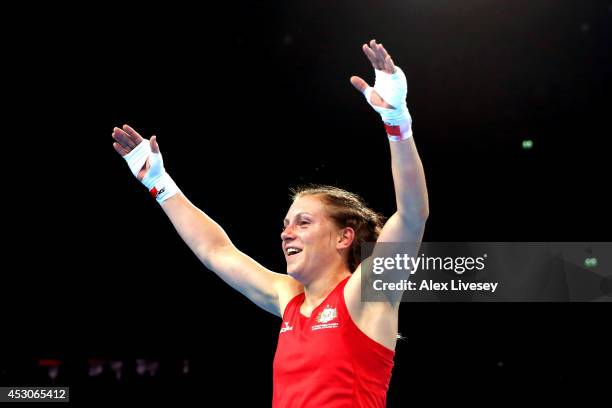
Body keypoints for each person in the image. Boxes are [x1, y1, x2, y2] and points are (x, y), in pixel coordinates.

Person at [112, 39, 429, 407]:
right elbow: (215, 250)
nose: (286, 233)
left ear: (344, 237)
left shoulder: (365, 295)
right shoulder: (288, 298)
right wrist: (160, 186)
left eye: (303, 222)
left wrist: (396, 123)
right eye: (286, 223)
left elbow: (410, 216)